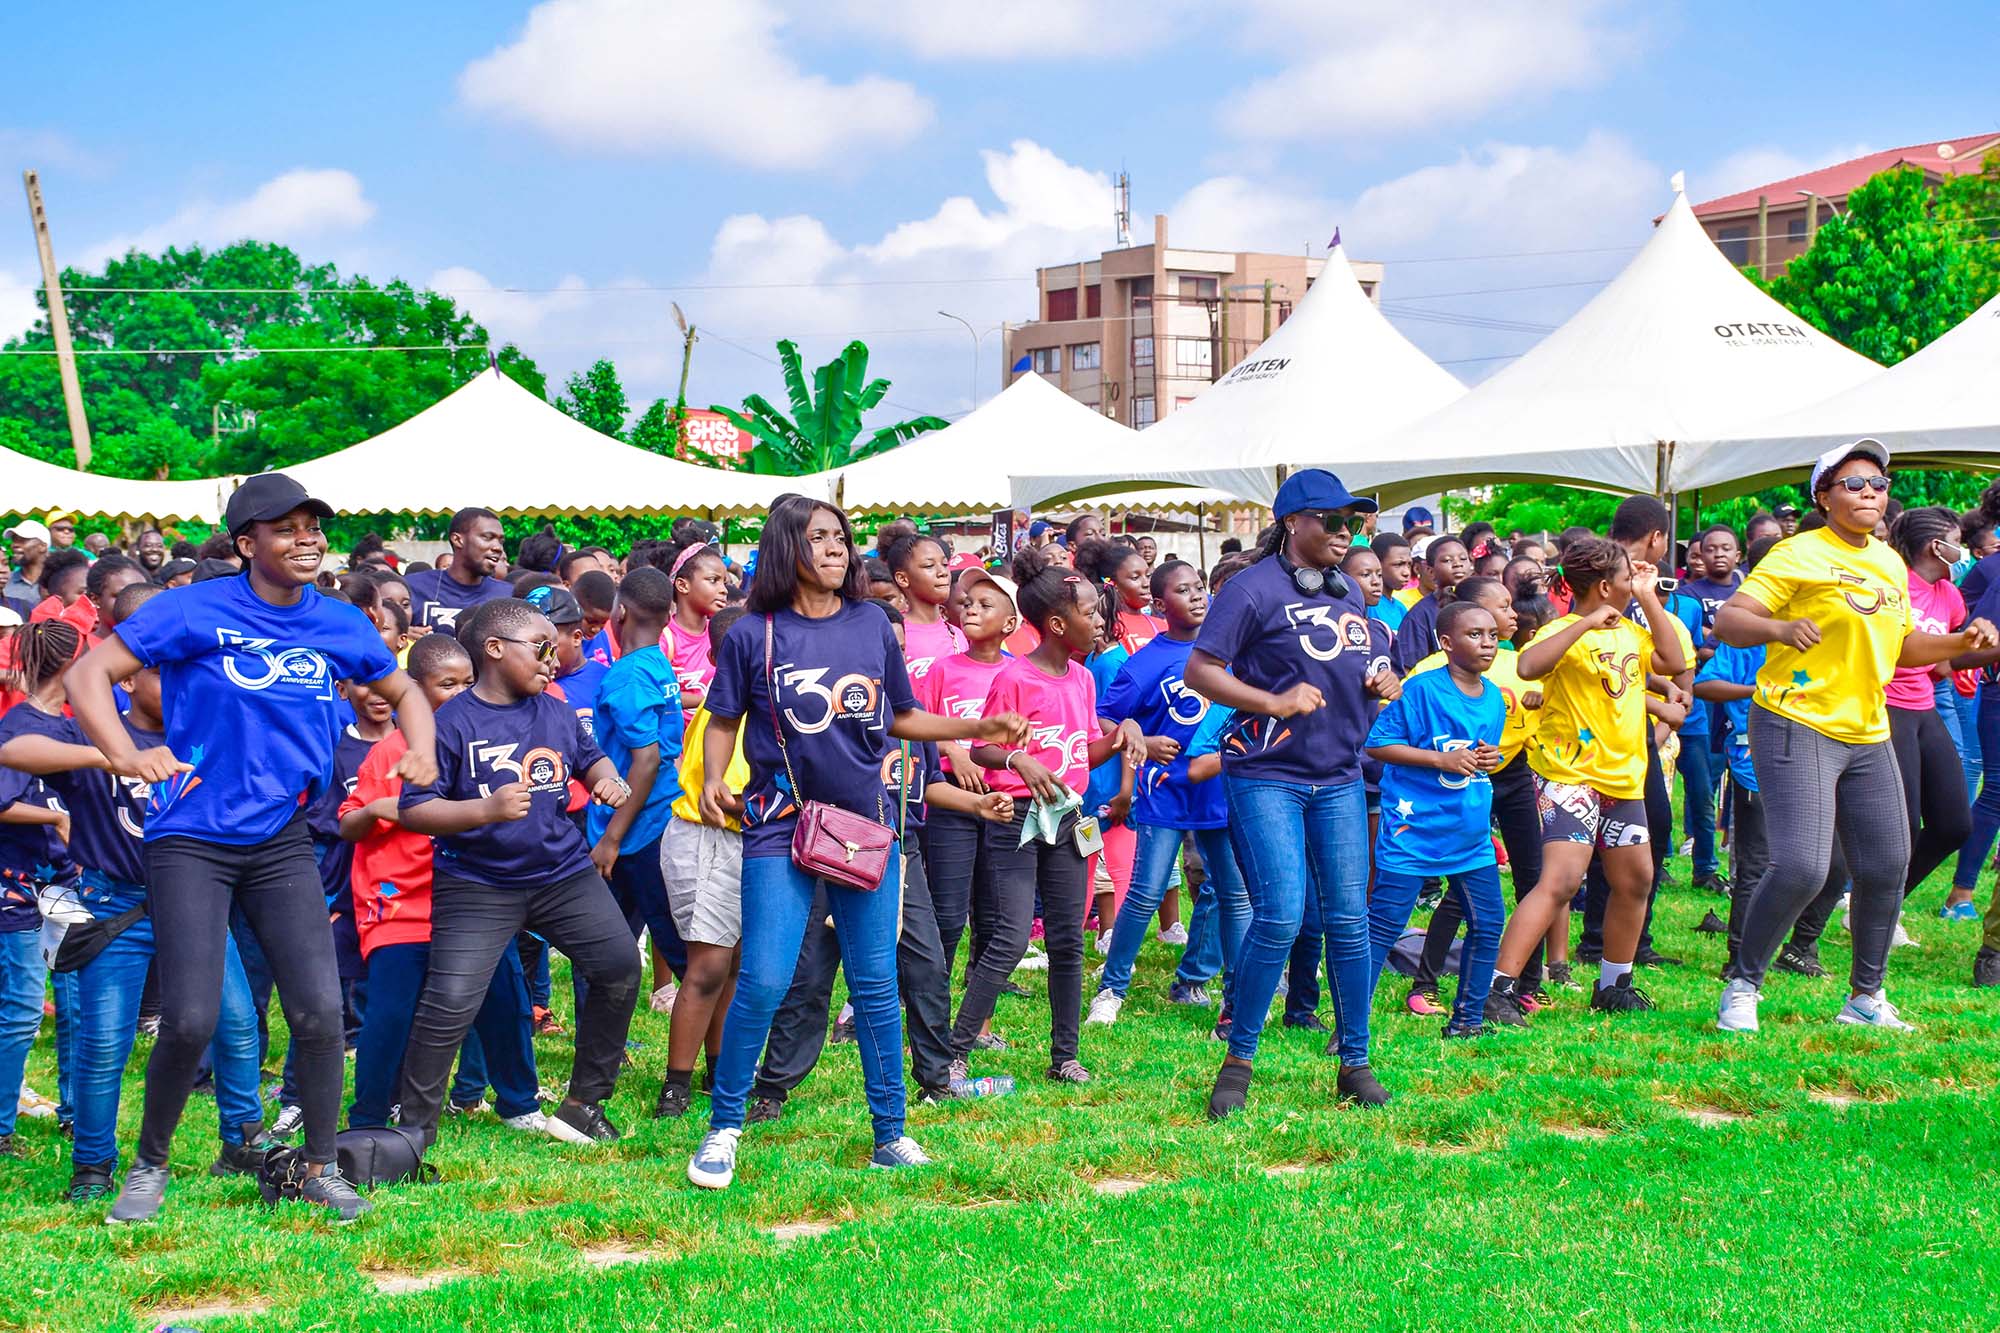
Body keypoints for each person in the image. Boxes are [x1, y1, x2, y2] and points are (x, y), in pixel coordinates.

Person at [64, 472, 438, 1225]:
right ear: (246, 543)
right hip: (190, 839)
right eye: (287, 529)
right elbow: (88, 674)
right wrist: (123, 753)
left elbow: (403, 690)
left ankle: (319, 1169)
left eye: (314, 528)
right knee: (190, 1017)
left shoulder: (338, 621)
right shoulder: (193, 609)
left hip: (280, 839)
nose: (307, 540)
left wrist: (421, 747)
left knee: (320, 1012)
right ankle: (149, 1164)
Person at [685, 495, 1027, 1192]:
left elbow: (901, 715)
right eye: (819, 537)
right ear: (787, 547)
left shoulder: (872, 623)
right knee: (765, 979)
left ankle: (890, 1133)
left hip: (865, 826)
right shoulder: (754, 633)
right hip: (780, 819)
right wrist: (717, 777)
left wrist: (976, 730)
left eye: (840, 537)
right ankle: (723, 1127)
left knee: (875, 984)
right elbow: (722, 718)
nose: (836, 549)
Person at [1716, 441, 1995, 1034]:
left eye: (1879, 483)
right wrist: (1779, 627)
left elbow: (1903, 648)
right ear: (1824, 497)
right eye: (1854, 483)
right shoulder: (1798, 553)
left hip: (1868, 729)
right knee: (1801, 866)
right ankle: (1742, 985)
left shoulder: (1889, 563)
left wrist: (1965, 643)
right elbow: (1730, 621)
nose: (1871, 492)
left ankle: (1866, 997)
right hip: (1796, 720)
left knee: (1889, 862)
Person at [1, 591, 270, 1202]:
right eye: (164, 672)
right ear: (129, 679)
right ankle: (93, 1167)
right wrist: (114, 757)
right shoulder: (97, 728)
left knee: (235, 1024)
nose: (179, 684)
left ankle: (241, 1143)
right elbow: (13, 749)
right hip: (115, 906)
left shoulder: (204, 730)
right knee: (104, 1045)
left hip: (198, 901)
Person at [1183, 468, 1402, 1119]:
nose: (1345, 532)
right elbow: (1200, 670)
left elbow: (1354, 661)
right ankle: (1238, 1061)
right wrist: (1272, 701)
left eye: (1352, 522)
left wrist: (1380, 679)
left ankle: (1355, 1062)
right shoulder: (1251, 589)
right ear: (1292, 522)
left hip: (1338, 775)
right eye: (1331, 520)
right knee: (1279, 913)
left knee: (1349, 920)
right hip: (1266, 773)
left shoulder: (1348, 592)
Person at [749, 600, 1012, 1117]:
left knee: (927, 966)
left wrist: (977, 804)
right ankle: (771, 1090)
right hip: (831, 849)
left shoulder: (913, 722)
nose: (892, 656)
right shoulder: (829, 709)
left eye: (898, 647)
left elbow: (925, 786)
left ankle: (936, 1078)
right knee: (810, 975)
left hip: (897, 852)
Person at [394, 597, 639, 1147]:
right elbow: (415, 810)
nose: (554, 659)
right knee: (451, 1000)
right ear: (495, 649)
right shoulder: (448, 724)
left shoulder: (555, 711)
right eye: (542, 648)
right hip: (476, 882)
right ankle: (413, 1132)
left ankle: (582, 1105)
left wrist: (606, 778)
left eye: (556, 649)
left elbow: (590, 757)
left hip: (561, 874)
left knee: (620, 967)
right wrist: (485, 810)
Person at [340, 632, 560, 1139]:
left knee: (505, 1001)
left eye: (467, 682)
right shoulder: (390, 753)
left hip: (473, 899)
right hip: (401, 907)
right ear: (413, 691)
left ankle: (518, 1102)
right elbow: (348, 823)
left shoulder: (480, 743)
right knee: (392, 1014)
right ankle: (370, 1115)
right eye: (447, 684)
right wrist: (379, 810)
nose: (460, 693)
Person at [952, 556, 1147, 1089]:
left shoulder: (1082, 678)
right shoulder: (1015, 677)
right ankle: (956, 1050)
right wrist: (1018, 759)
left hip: (1070, 820)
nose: (1100, 620)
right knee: (1011, 937)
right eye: (1091, 612)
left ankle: (1064, 1056)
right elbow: (983, 748)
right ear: (1059, 624)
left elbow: (1084, 750)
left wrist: (1124, 733)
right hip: (1016, 820)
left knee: (1067, 940)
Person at [1485, 536, 1687, 1025]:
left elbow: (1674, 662)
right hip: (1569, 776)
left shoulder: (1632, 633)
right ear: (1603, 587)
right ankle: (1497, 990)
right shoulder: (1561, 631)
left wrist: (1648, 599)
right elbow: (1529, 665)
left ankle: (1614, 985)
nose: (1634, 583)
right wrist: (1586, 623)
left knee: (1636, 879)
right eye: (1627, 579)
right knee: (1561, 881)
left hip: (1622, 780)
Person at [1088, 560, 1251, 1028]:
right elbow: (1106, 716)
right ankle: (1111, 989)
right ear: (1160, 604)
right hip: (1165, 794)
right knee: (1145, 892)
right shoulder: (1145, 661)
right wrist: (1140, 736)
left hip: (1220, 792)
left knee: (1235, 894)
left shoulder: (1228, 650)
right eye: (1184, 590)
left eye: (1200, 587)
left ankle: (1237, 997)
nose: (1198, 596)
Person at [578, 568, 694, 1116]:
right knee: (610, 949)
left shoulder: (625, 676)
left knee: (672, 953)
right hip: (654, 821)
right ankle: (604, 1052)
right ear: (669, 615)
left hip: (637, 833)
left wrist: (612, 837)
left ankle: (703, 1068)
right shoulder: (656, 664)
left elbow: (644, 761)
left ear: (618, 613)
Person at [1406, 577, 1552, 1011]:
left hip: (1514, 775)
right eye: (1501, 607)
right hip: (1459, 783)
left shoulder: (1522, 664)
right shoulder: (1431, 671)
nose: (1512, 614)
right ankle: (1425, 983)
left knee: (1533, 879)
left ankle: (1527, 983)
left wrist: (1542, 700)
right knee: (1462, 885)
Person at [1364, 599, 1508, 1042]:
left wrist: (1489, 758)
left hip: (1469, 835)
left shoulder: (1494, 698)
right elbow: (1378, 744)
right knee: (1384, 926)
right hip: (1415, 833)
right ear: (1446, 642)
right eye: (1474, 635)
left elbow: (1477, 758)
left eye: (1492, 635)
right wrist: (1439, 759)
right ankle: (1350, 1027)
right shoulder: (1421, 689)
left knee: (1488, 922)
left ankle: (1467, 1020)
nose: (1487, 643)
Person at [657, 605, 750, 1118]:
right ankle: (676, 1086)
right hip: (706, 840)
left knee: (731, 963)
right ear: (717, 658)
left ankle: (719, 1068)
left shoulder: (757, 703)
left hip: (739, 844)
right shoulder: (723, 711)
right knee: (708, 965)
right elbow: (725, 799)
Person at [915, 566, 1020, 982]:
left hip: (1005, 802)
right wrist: (952, 749)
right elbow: (918, 725)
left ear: (1009, 623)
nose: (971, 610)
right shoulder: (943, 670)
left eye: (985, 605)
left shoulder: (1019, 674)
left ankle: (983, 991)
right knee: (947, 909)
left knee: (993, 910)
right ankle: (929, 992)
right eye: (968, 603)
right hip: (952, 798)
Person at [1879, 508, 1974, 917]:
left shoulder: (1949, 595)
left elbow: (1943, 662)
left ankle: (1883, 903)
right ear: (1937, 547)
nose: (1964, 551)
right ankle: (1875, 908)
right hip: (1886, 704)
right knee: (1902, 823)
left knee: (1954, 824)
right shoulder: (1893, 583)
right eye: (1957, 542)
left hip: (1924, 704)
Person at [406, 507, 510, 632]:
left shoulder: (508, 596)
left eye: (501, 541)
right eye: (487, 537)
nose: (498, 548)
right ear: (457, 540)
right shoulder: (412, 588)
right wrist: (404, 634)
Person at [885, 532, 966, 679]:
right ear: (903, 578)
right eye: (929, 566)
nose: (942, 572)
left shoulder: (957, 635)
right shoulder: (895, 633)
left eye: (945, 564)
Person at [664, 538, 730, 717]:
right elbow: (654, 695)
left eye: (724, 582)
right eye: (713, 580)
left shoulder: (722, 633)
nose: (724, 590)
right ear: (683, 585)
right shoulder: (665, 639)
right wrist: (711, 700)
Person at [1392, 534, 1471, 673]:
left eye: (1463, 558)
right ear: (1430, 571)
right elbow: (1409, 669)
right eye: (1447, 560)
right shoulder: (1420, 615)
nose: (1458, 564)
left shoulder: (1478, 604)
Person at [1368, 533, 1413, 635]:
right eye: (1398, 564)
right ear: (1377, 563)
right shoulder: (1369, 605)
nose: (1406, 572)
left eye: (1409, 564)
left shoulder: (1400, 608)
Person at [4, 519, 49, 618]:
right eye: (14, 540)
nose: (14, 545)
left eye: (23, 540)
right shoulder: (4, 582)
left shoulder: (59, 582)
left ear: (43, 546)